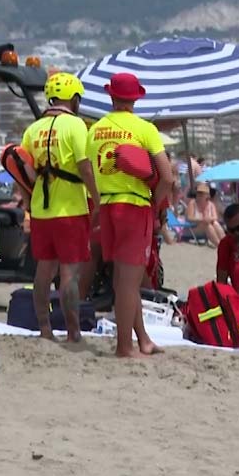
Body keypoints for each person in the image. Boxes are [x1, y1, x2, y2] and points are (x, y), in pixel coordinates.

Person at [87, 73, 174, 358]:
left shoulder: (95, 129)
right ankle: (124, 347)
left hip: (107, 207)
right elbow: (168, 178)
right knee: (128, 281)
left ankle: (143, 339)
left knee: (123, 280)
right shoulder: (144, 128)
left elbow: (89, 170)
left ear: (111, 96)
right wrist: (155, 203)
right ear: (136, 98)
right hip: (134, 206)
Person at [20, 72, 100, 342]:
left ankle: (44, 328)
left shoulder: (32, 130)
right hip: (71, 211)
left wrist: (30, 204)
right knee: (69, 274)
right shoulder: (76, 126)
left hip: (42, 211)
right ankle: (73, 331)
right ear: (74, 98)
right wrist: (97, 200)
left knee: (44, 270)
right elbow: (85, 168)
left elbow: (26, 174)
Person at [185, 181, 224, 247]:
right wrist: (202, 219)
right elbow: (189, 218)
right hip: (194, 228)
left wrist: (209, 219)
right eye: (198, 193)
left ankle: (225, 242)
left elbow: (215, 217)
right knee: (207, 225)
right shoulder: (193, 203)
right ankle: (219, 245)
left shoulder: (211, 204)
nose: (199, 195)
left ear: (207, 195)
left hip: (207, 227)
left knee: (215, 223)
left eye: (202, 193)